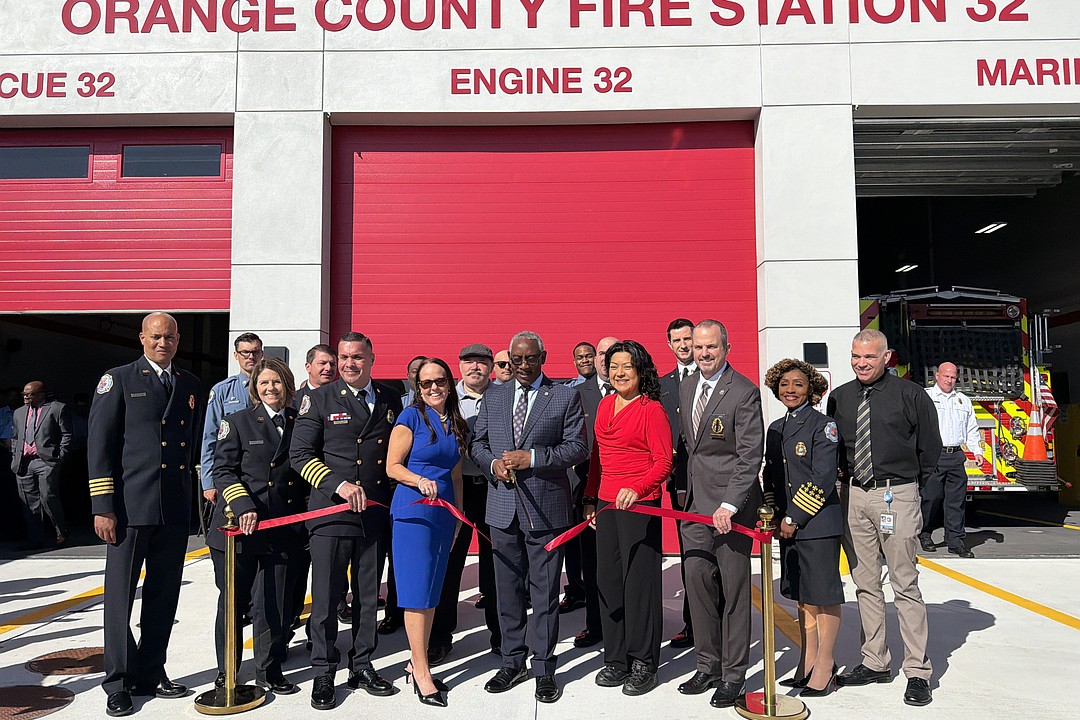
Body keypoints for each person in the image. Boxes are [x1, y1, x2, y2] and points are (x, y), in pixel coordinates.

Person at [88, 312, 202, 717]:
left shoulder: (188, 384)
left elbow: (188, 448)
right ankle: (117, 682)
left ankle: (151, 671)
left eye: (169, 337)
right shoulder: (118, 379)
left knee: (163, 594)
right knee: (119, 599)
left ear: (177, 339)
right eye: (155, 336)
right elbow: (99, 447)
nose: (163, 343)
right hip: (128, 510)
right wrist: (104, 507)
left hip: (171, 510)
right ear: (141, 338)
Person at [471, 331, 589, 703]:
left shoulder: (565, 395)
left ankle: (543, 666)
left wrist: (533, 458)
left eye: (530, 359)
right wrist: (492, 464)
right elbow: (477, 443)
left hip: (547, 512)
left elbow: (577, 447)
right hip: (502, 510)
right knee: (506, 593)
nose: (522, 366)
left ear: (544, 357)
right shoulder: (494, 394)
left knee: (545, 594)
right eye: (515, 360)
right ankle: (512, 660)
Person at [290, 332, 402, 710]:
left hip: (374, 513)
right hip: (331, 514)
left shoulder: (390, 397)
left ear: (372, 358)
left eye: (357, 357)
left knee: (368, 596)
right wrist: (337, 485)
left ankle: (363, 664)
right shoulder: (317, 399)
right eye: (343, 357)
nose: (349, 363)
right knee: (325, 598)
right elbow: (300, 455)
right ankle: (324, 670)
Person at [827, 329, 939, 707]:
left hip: (897, 494)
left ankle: (918, 671)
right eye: (856, 356)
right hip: (853, 495)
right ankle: (875, 661)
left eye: (869, 357)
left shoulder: (911, 395)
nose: (861, 363)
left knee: (905, 583)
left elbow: (930, 450)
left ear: (887, 357)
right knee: (865, 582)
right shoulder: (839, 397)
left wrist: (908, 490)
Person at [676, 319, 764, 709]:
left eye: (711, 347)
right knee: (698, 585)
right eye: (698, 347)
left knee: (734, 593)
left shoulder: (743, 391)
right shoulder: (686, 385)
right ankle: (707, 664)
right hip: (694, 507)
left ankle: (732, 675)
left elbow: (749, 455)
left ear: (726, 348)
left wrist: (730, 504)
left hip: (732, 509)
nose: (704, 354)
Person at [207, 358, 307, 695]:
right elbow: (223, 471)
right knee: (233, 604)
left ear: (287, 386)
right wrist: (243, 505)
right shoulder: (237, 422)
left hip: (281, 529)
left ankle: (269, 668)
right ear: (255, 387)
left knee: (273, 603)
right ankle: (228, 670)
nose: (271, 389)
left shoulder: (300, 423)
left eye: (277, 383)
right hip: (238, 530)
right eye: (264, 383)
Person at [582, 340, 672, 695]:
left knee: (639, 586)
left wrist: (637, 487)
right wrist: (590, 498)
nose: (619, 373)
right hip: (606, 505)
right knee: (608, 582)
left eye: (627, 368)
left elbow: (664, 462)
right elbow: (596, 458)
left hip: (640, 506)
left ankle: (643, 662)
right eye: (614, 366)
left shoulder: (652, 410)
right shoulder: (605, 404)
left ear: (640, 371)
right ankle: (615, 658)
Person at [387, 357, 468, 707]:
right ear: (417, 389)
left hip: (443, 515)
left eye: (440, 381)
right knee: (417, 594)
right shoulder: (410, 418)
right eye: (425, 383)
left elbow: (455, 475)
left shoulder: (455, 422)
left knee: (433, 591)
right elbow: (392, 467)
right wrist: (419, 480)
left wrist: (458, 519)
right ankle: (421, 672)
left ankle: (415, 661)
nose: (433, 388)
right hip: (414, 513)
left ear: (449, 384)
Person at [761, 359, 843, 698]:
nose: (790, 389)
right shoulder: (777, 428)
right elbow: (771, 474)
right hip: (787, 525)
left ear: (811, 388)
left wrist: (793, 517)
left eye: (797, 384)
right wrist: (771, 511)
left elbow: (823, 478)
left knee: (823, 597)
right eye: (784, 384)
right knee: (802, 598)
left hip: (816, 523)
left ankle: (825, 666)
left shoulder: (824, 426)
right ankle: (807, 660)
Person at [429, 344, 501, 662]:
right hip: (454, 491)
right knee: (450, 563)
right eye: (469, 362)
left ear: (491, 367)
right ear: (459, 367)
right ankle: (441, 636)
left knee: (498, 563)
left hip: (495, 489)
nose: (475, 367)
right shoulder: (446, 398)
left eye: (482, 362)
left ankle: (502, 636)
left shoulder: (504, 396)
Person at [564, 335, 618, 649]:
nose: (605, 358)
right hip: (587, 489)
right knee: (592, 561)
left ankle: (621, 625)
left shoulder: (636, 391)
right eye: (601, 353)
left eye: (612, 352)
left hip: (625, 489)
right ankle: (595, 625)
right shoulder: (576, 394)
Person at [658, 317, 696, 648]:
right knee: (690, 555)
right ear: (669, 345)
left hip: (715, 484)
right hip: (678, 484)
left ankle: (719, 621)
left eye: (688, 339)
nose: (683, 345)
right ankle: (693, 622)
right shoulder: (660, 386)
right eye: (677, 340)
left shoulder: (714, 378)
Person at [920, 361, 981, 558]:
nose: (949, 380)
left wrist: (977, 451)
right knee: (931, 498)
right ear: (937, 376)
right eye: (946, 376)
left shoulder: (963, 400)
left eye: (953, 377)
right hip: (933, 455)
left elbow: (971, 429)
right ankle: (925, 533)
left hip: (956, 455)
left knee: (956, 502)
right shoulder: (926, 397)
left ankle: (955, 541)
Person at [200, 333, 264, 506]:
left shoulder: (272, 389)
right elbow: (210, 436)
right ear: (236, 355)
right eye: (245, 352)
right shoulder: (222, 391)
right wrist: (208, 482)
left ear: (262, 354)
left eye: (255, 352)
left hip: (264, 472)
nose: (251, 356)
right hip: (231, 471)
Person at [11, 381, 73, 548]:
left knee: (48, 498)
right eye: (24, 394)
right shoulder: (18, 413)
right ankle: (35, 539)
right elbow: (16, 436)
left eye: (29, 394)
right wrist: (15, 455)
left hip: (46, 461)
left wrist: (59, 456)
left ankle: (60, 533)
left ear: (40, 394)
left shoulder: (56, 408)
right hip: (24, 463)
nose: (25, 397)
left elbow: (67, 434)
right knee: (29, 504)